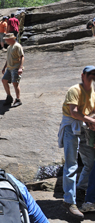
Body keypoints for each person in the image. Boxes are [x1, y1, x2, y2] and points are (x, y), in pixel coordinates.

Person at [57, 66, 95, 218]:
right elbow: (74, 112)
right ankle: (69, 201)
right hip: (71, 129)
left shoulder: (93, 92)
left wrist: (92, 121)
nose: (92, 77)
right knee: (71, 164)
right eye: (90, 74)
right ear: (83, 75)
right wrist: (89, 120)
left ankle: (80, 188)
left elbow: (91, 111)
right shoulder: (75, 90)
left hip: (85, 129)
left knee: (91, 162)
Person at [1, 33, 24, 107]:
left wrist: (20, 68)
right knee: (4, 80)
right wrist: (4, 67)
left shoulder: (17, 46)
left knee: (15, 83)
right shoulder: (9, 47)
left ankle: (18, 99)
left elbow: (22, 57)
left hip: (16, 67)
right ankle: (9, 97)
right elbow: (8, 58)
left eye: (6, 39)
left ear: (11, 39)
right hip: (9, 67)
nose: (5, 41)